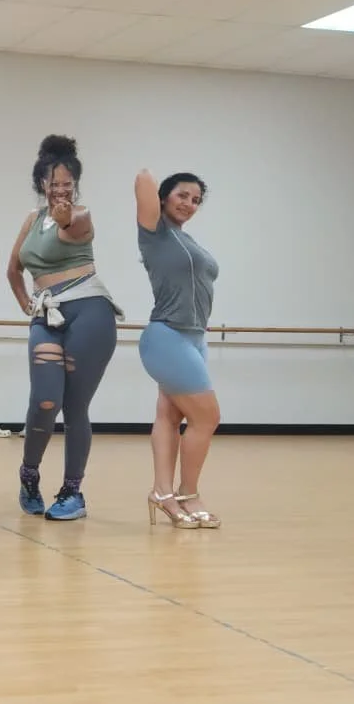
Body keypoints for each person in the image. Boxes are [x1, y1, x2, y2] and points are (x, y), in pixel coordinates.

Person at [4, 134, 122, 521]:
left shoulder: (80, 215)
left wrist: (66, 214)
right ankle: (29, 476)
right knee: (45, 401)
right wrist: (25, 303)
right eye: (54, 184)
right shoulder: (31, 219)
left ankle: (73, 492)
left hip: (89, 311)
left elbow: (73, 223)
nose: (60, 190)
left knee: (75, 407)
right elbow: (13, 269)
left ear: (75, 185)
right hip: (47, 315)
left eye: (67, 184)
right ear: (42, 183)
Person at [135, 168, 221, 530]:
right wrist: (156, 188)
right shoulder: (156, 233)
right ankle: (188, 493)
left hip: (194, 337)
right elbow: (143, 181)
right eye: (182, 195)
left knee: (171, 418)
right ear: (164, 198)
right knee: (207, 417)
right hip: (167, 336)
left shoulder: (188, 240)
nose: (189, 203)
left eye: (196, 200)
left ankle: (162, 493)